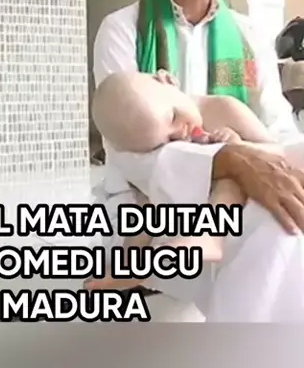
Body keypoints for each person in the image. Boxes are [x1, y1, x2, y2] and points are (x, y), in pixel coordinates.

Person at [91, 0, 304, 321]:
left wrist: (259, 162)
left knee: (288, 214)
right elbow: (127, 147)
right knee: (280, 228)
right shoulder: (122, 28)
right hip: (145, 202)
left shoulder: (249, 35)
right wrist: (226, 161)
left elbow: (278, 129)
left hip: (240, 181)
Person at [86, 71, 281, 290]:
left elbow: (272, 153)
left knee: (230, 168)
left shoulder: (224, 108)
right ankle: (132, 264)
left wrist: (236, 143)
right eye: (166, 140)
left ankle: (209, 236)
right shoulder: (145, 139)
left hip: (233, 187)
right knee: (146, 204)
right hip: (187, 197)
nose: (181, 134)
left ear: (168, 80)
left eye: (173, 117)